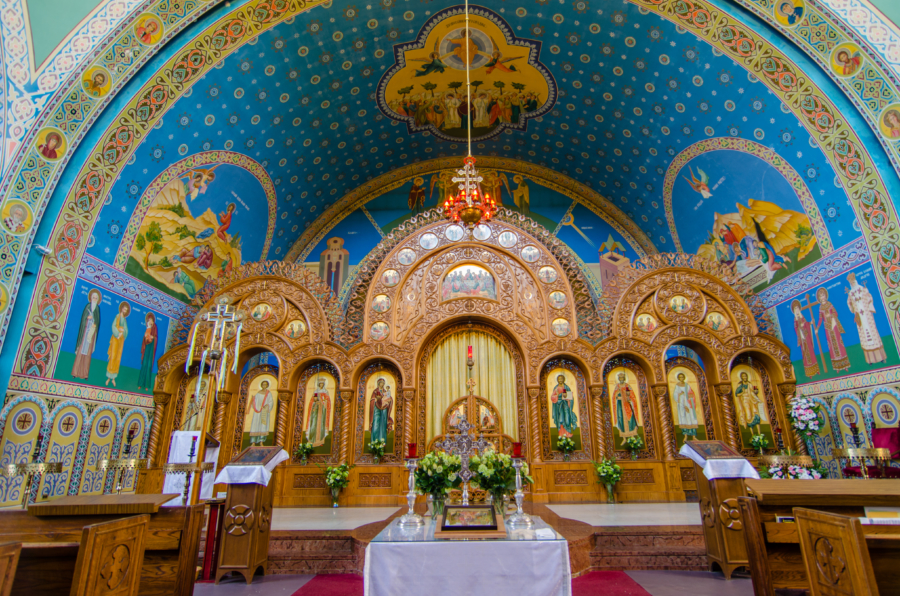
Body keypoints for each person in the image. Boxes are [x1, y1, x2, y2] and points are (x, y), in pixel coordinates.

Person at [846, 272, 887, 364]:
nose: (852, 284)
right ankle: (870, 360)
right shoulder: (851, 293)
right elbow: (849, 303)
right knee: (864, 338)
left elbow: (870, 298)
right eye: (851, 283)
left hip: (867, 316)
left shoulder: (863, 289)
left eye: (853, 282)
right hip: (860, 319)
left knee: (874, 334)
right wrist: (853, 309)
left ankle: (881, 357)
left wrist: (868, 300)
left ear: (855, 281)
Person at [816, 287, 850, 372]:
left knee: (839, 343)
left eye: (823, 295)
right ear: (819, 298)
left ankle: (845, 365)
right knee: (831, 346)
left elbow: (836, 313)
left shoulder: (829, 304)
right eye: (821, 296)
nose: (822, 297)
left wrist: (831, 316)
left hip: (834, 326)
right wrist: (817, 328)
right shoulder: (820, 308)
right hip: (827, 329)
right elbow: (820, 319)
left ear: (825, 295)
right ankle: (837, 367)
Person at [72, 290, 102, 379]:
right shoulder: (88, 306)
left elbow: (98, 321)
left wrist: (95, 324)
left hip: (91, 334)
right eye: (93, 297)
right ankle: (75, 372)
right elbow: (83, 318)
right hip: (85, 332)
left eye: (96, 298)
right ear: (91, 298)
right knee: (80, 352)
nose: (95, 299)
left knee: (88, 354)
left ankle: (85, 374)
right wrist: (87, 318)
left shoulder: (97, 309)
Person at [791, 300, 820, 377]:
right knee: (805, 354)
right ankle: (809, 372)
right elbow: (795, 328)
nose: (796, 310)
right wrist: (800, 327)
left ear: (799, 308)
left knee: (811, 351)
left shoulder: (801, 316)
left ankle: (816, 369)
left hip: (806, 336)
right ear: (793, 310)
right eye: (795, 309)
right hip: (802, 338)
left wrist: (809, 323)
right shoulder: (795, 319)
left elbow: (806, 323)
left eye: (797, 308)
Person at [105, 302, 130, 387]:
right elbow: (113, 326)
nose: (125, 311)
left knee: (118, 358)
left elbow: (126, 330)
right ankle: (108, 377)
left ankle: (113, 379)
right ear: (121, 309)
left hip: (121, 340)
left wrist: (123, 332)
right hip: (116, 339)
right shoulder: (117, 317)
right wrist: (118, 332)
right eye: (124, 309)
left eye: (126, 310)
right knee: (113, 356)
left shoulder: (125, 320)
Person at [612, 372, 639, 442]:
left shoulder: (627, 386)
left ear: (624, 379)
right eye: (620, 378)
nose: (621, 379)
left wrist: (629, 398)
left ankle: (632, 436)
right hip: (620, 405)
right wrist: (617, 395)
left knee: (630, 419)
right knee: (621, 418)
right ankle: (624, 438)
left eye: (622, 378)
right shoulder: (617, 386)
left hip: (627, 405)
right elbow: (614, 396)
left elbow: (632, 395)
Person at [672, 373, 698, 443]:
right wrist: (680, 394)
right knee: (683, 418)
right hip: (681, 404)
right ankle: (685, 436)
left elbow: (691, 393)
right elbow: (675, 394)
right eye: (680, 377)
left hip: (688, 403)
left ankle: (694, 436)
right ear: (678, 378)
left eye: (682, 377)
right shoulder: (677, 386)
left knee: (691, 418)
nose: (681, 378)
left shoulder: (687, 385)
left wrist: (690, 397)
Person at [550, 374, 578, 440]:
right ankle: (561, 434)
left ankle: (567, 433)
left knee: (567, 419)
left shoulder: (566, 387)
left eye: (561, 379)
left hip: (565, 404)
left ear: (563, 380)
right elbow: (552, 397)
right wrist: (557, 396)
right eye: (559, 379)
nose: (560, 380)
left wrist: (566, 397)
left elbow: (570, 397)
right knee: (560, 419)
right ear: (557, 380)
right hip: (559, 406)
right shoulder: (556, 388)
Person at [306, 378, 331, 447]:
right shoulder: (316, 392)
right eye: (320, 384)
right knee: (314, 424)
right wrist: (316, 401)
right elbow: (313, 400)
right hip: (315, 411)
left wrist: (323, 402)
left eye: (322, 384)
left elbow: (327, 401)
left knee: (321, 424)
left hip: (322, 411)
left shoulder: (325, 392)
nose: (321, 385)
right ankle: (311, 440)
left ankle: (320, 441)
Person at [248, 380, 274, 445]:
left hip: (264, 411)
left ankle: (261, 442)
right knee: (255, 425)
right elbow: (255, 401)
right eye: (263, 384)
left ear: (267, 385)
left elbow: (271, 402)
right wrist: (253, 400)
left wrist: (267, 405)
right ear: (261, 385)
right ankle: (253, 442)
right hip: (257, 412)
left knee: (263, 426)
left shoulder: (268, 393)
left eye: (265, 384)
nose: (264, 386)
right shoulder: (258, 393)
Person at [369, 378, 393, 443]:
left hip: (384, 409)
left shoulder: (386, 392)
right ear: (378, 383)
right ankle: (374, 442)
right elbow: (372, 400)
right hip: (376, 409)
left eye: (383, 383)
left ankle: (382, 441)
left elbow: (388, 398)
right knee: (376, 424)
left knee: (383, 424)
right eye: (381, 383)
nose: (382, 384)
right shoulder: (375, 391)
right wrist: (376, 400)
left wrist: (389, 400)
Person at [137, 312, 157, 390]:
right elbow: (144, 338)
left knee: (149, 365)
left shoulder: (154, 327)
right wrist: (146, 337)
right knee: (144, 364)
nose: (150, 321)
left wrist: (152, 337)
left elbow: (156, 337)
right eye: (148, 320)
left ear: (153, 320)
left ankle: (147, 385)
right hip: (147, 347)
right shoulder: (148, 328)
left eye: (151, 320)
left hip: (151, 349)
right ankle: (140, 383)